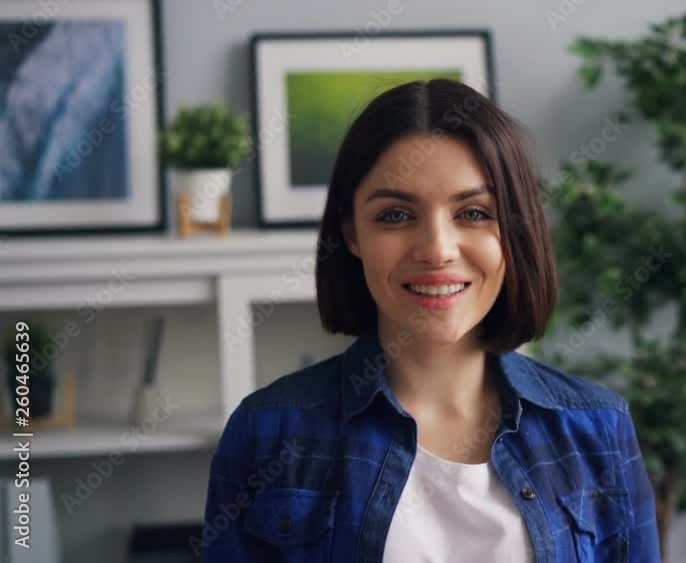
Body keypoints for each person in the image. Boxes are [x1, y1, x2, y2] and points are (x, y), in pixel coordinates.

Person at [199, 78, 661, 563]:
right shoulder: (266, 432)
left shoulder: (599, 429)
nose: (437, 250)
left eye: (475, 212)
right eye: (396, 216)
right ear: (351, 234)